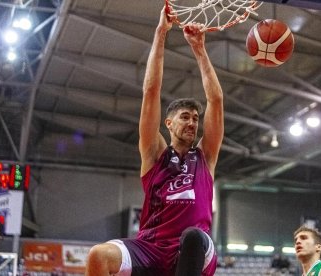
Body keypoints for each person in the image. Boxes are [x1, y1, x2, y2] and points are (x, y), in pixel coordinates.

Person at [85, 5, 224, 276]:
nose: (193, 122)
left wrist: (199, 49)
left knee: (194, 236)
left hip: (194, 251)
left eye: (196, 118)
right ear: (168, 123)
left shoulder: (205, 157)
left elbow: (216, 101)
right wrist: (161, 33)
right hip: (151, 246)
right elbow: (151, 91)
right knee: (98, 255)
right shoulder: (155, 154)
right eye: (186, 117)